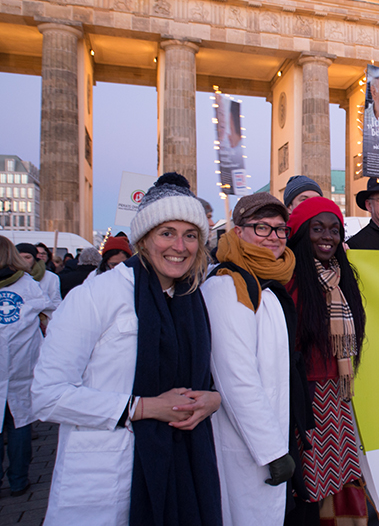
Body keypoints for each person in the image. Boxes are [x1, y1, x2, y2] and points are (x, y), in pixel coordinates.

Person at [31, 173, 222, 526]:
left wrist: (212, 399)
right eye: (167, 232)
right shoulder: (96, 295)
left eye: (190, 235)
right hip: (107, 479)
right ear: (144, 238)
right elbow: (46, 396)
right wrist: (144, 408)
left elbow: (198, 377)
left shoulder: (193, 300)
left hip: (183, 472)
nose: (179, 246)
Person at [201, 192, 303, 526]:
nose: (274, 237)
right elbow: (236, 377)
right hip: (248, 445)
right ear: (238, 231)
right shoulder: (228, 286)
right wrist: (272, 452)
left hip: (273, 429)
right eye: (262, 227)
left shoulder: (267, 281)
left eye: (279, 229)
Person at [284, 197, 369, 525]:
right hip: (305, 397)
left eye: (334, 229)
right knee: (310, 479)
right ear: (302, 232)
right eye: (317, 228)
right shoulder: (291, 279)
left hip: (336, 391)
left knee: (339, 477)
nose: (327, 236)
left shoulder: (341, 277)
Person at [0, 237, 49, 498]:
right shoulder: (27, 285)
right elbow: (45, 308)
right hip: (20, 366)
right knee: (19, 424)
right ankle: (18, 481)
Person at [16, 243, 61, 321]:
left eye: (27, 257)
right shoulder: (10, 277)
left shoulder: (50, 277)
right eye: (20, 258)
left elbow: (56, 301)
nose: (23, 261)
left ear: (34, 258)